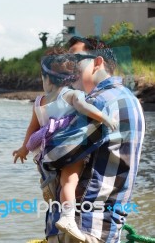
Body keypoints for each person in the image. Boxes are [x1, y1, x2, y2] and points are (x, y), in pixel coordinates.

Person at [41, 37, 145, 243]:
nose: (69, 67)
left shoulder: (99, 102)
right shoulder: (130, 99)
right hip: (107, 226)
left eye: (75, 59)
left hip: (82, 226)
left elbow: (54, 156)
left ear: (97, 63)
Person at [12, 47, 118, 242]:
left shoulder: (39, 101)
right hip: (68, 149)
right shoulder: (71, 94)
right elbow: (85, 108)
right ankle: (69, 218)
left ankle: (51, 193)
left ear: (47, 79)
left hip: (48, 154)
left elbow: (32, 130)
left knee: (57, 184)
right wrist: (104, 118)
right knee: (69, 182)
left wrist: (23, 149)